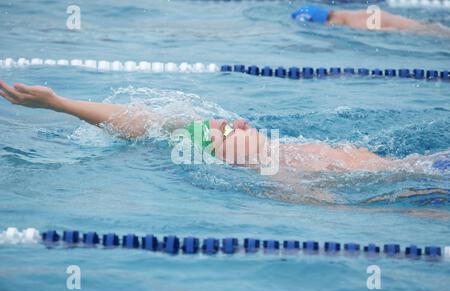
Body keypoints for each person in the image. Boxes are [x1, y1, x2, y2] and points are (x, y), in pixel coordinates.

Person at [0, 80, 447, 195]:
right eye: (229, 130)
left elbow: (145, 122)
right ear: (225, 159)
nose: (241, 123)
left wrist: (59, 102)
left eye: (229, 123)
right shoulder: (281, 176)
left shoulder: (275, 156)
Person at [291, 5, 450, 34]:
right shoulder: (356, 14)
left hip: (426, 32)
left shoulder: (358, 23)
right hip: (430, 26)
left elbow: (397, 31)